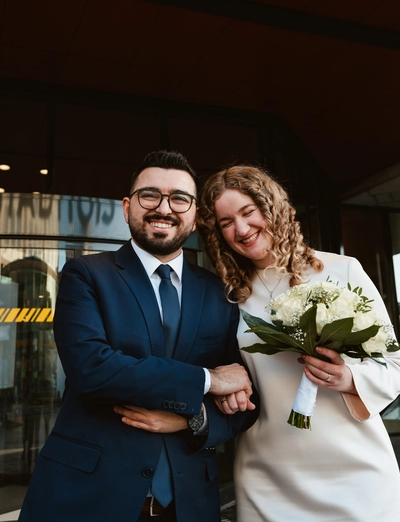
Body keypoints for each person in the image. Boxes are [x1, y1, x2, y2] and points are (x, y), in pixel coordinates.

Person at [18, 151, 258, 522]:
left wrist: (191, 419)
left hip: (188, 501)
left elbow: (244, 401)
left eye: (179, 198)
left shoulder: (220, 292)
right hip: (89, 496)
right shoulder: (85, 274)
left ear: (195, 217)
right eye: (150, 195)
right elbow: (93, 369)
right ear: (128, 206)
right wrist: (208, 380)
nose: (164, 208)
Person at [196, 163, 400, 522]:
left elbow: (394, 365)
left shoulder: (343, 270)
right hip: (268, 476)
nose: (241, 229)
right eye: (226, 223)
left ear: (271, 206)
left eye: (248, 212)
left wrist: (349, 378)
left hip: (356, 472)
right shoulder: (228, 296)